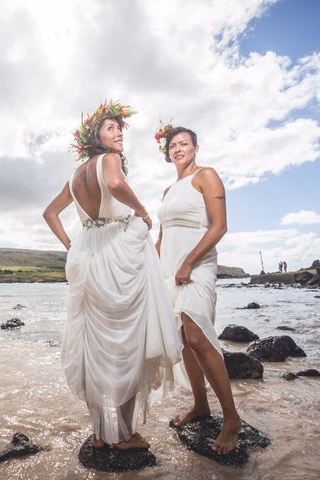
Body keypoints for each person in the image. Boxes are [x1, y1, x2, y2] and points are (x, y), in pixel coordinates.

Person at [43, 101, 182, 450]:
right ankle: (125, 434)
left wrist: (73, 244)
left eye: (120, 128)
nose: (118, 132)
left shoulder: (74, 177)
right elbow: (115, 184)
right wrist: (142, 211)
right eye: (110, 128)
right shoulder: (109, 159)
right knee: (129, 342)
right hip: (119, 254)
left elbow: (50, 214)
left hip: (89, 255)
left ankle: (98, 435)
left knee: (94, 344)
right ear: (96, 138)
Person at [154, 124, 241, 454]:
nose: (178, 148)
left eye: (184, 143)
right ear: (168, 153)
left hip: (198, 265)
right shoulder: (167, 190)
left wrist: (189, 262)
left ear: (195, 148)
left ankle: (232, 418)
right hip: (170, 269)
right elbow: (162, 238)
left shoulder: (207, 176)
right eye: (173, 145)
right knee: (182, 339)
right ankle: (201, 405)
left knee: (196, 334)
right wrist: (152, 270)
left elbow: (220, 226)